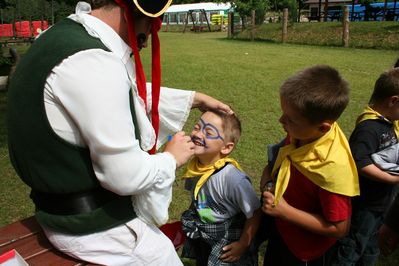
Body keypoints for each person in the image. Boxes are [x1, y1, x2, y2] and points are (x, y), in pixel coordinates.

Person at [6, 0, 233, 265]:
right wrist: (171, 158)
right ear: (139, 13)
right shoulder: (92, 60)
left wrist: (195, 98)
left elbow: (114, 94)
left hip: (55, 208)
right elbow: (125, 176)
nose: (147, 39)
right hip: (91, 227)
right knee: (164, 258)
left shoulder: (61, 37)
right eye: (151, 25)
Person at [260, 65, 360, 265]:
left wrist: (285, 211)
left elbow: (340, 228)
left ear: (323, 127)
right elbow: (277, 162)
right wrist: (268, 183)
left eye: (290, 119)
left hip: (305, 251)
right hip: (283, 232)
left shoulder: (331, 169)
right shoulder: (301, 133)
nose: (281, 120)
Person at [331, 68, 399, 265]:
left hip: (381, 204)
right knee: (350, 249)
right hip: (366, 205)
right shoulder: (369, 128)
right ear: (393, 100)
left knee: (370, 248)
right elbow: (360, 162)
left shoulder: (388, 124)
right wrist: (393, 179)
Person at [180, 110, 261, 265]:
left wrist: (243, 244)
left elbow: (255, 212)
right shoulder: (195, 167)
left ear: (226, 148)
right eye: (197, 127)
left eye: (208, 132)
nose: (198, 134)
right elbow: (195, 199)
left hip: (229, 239)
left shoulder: (233, 179)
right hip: (205, 234)